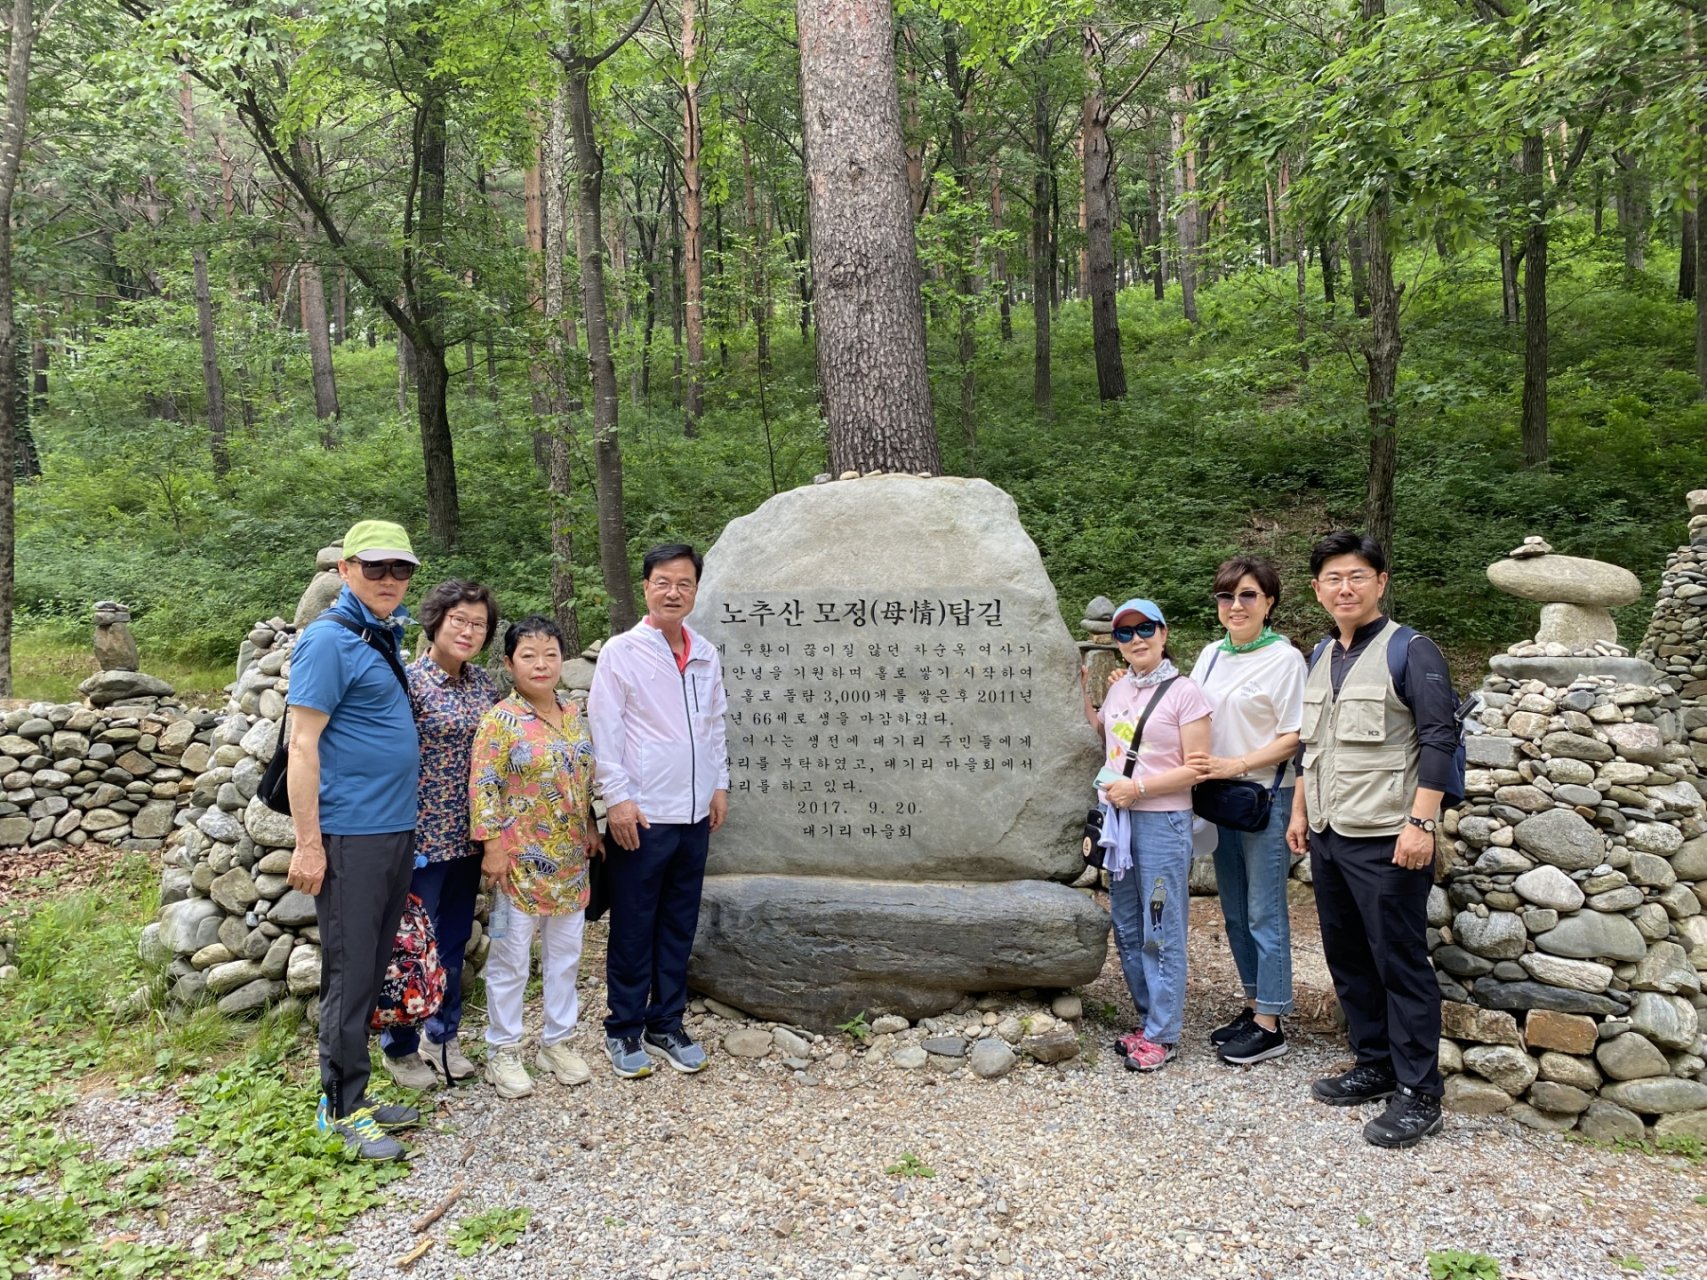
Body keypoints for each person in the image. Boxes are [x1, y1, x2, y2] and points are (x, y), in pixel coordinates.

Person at [1285, 531, 1458, 1149]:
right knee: (1349, 955)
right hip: (1330, 832)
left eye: (1357, 576)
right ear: (1317, 590)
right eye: (1333, 578)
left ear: (1380, 582)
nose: (1345, 588)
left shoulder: (1411, 650)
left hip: (1388, 835)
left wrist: (1422, 823)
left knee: (1399, 961)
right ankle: (1375, 1063)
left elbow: (1439, 739)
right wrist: (1300, 812)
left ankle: (1420, 1093)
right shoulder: (1319, 653)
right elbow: (1311, 746)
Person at [285, 519, 422, 1161]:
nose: (389, 579)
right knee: (347, 972)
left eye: (401, 569)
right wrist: (309, 844)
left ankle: (356, 1094)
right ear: (345, 570)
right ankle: (339, 1109)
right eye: (375, 567)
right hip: (351, 835)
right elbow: (302, 745)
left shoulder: (380, 634)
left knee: (368, 969)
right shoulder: (328, 640)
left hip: (393, 830)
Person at [587, 543, 729, 1079]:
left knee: (677, 922)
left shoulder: (705, 653)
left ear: (696, 590)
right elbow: (605, 728)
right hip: (643, 814)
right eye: (663, 582)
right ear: (646, 587)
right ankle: (623, 1027)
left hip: (694, 815)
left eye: (684, 583)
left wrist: (719, 785)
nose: (674, 592)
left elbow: (714, 725)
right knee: (633, 924)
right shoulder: (623, 651)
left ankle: (666, 1022)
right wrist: (617, 800)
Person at [469, 616, 604, 1097]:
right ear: (509, 664)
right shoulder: (499, 720)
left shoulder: (572, 713)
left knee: (565, 956)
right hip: (516, 864)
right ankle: (502, 1050)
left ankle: (557, 1042)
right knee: (510, 959)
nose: (541, 664)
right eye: (528, 655)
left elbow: (582, 777)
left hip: (569, 860)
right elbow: (483, 786)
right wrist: (491, 848)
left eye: (550, 654)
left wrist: (591, 824)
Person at [1080, 597, 1212, 1073]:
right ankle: (1147, 1020)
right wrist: (1080, 689)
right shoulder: (1121, 689)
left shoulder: (1185, 693)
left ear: (1163, 633)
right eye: (1125, 633)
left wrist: (1138, 788)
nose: (1136, 639)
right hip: (1120, 822)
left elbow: (1198, 768)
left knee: (1161, 926)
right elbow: (1105, 737)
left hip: (1162, 821)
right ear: (1117, 643)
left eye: (1145, 629)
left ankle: (1163, 1033)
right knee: (1129, 923)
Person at [378, 580, 500, 1091]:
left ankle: (442, 1034)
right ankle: (400, 1047)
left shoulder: (485, 685)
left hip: (470, 836)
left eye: (479, 624)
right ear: (436, 622)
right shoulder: (407, 682)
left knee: (450, 942)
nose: (469, 631)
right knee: (410, 947)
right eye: (459, 621)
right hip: (420, 838)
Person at [1186, 556, 1307, 1067]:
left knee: (1264, 910)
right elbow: (1189, 712)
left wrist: (1236, 763)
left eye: (1248, 595)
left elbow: (1294, 736)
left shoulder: (1285, 659)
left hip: (1264, 796)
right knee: (1234, 908)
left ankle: (1271, 1024)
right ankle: (1255, 1003)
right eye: (1226, 596)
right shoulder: (1212, 655)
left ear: (1269, 602)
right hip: (1220, 797)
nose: (1235, 606)